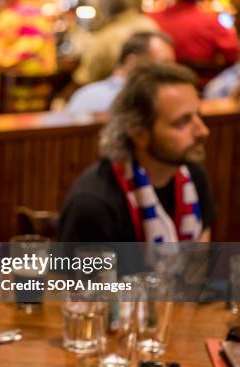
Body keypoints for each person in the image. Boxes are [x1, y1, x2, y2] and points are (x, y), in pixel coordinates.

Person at [59, 63, 215, 242]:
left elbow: (201, 261)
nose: (203, 131)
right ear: (139, 133)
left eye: (198, 116)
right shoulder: (94, 204)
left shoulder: (194, 175)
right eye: (182, 122)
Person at [66, 31, 175, 115]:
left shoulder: (84, 95)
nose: (169, 71)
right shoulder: (146, 101)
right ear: (132, 62)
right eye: (163, 64)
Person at [71, 0, 159, 87]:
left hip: (115, 96)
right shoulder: (149, 24)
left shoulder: (103, 39)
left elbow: (85, 79)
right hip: (151, 91)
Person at [149, 0, 238, 67]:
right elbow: (233, 53)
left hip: (160, 81)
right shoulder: (209, 21)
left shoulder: (152, 19)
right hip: (203, 84)